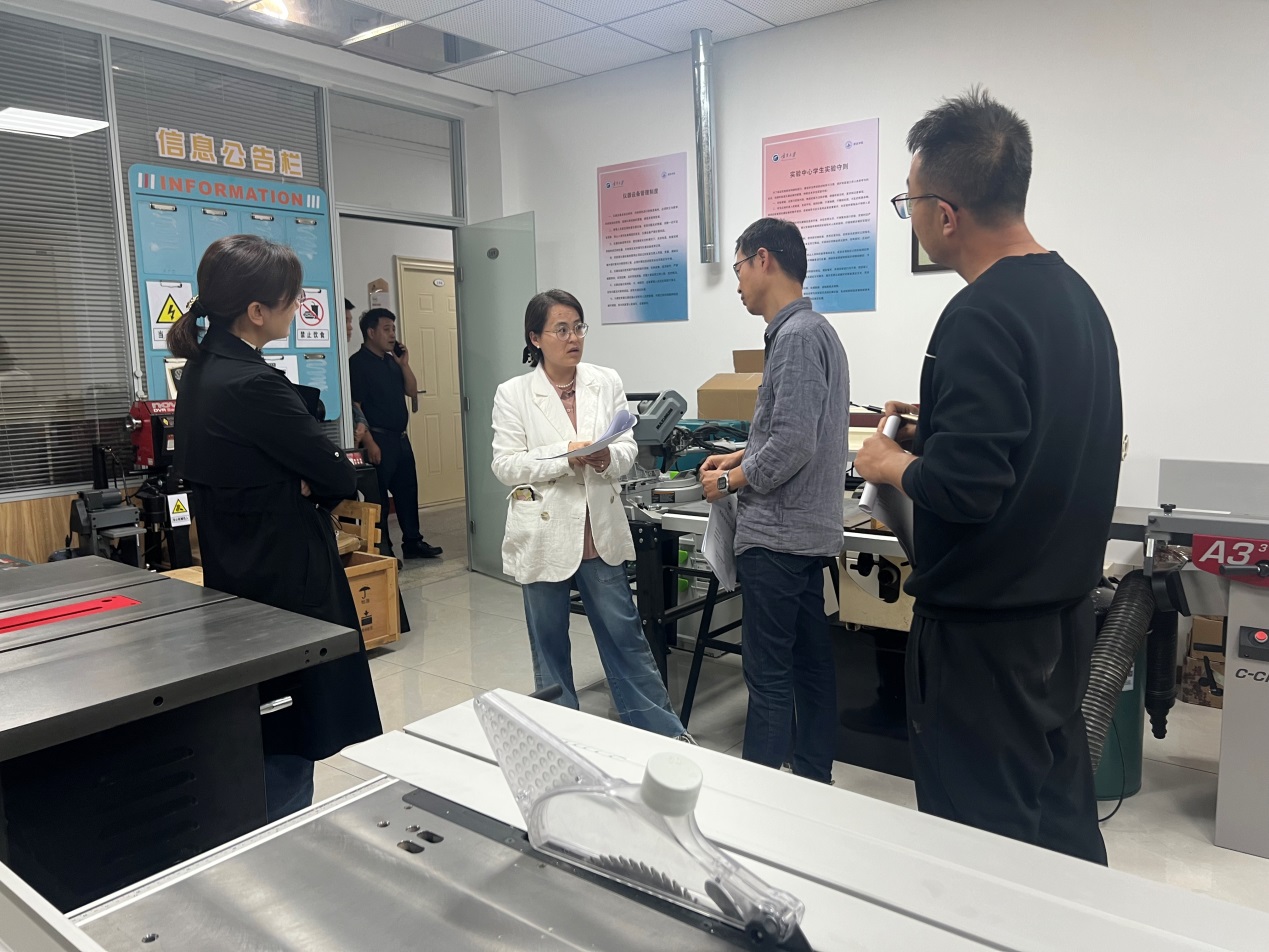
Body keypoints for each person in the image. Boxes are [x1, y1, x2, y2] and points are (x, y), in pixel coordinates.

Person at [854, 88, 1121, 864]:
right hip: (1058, 620)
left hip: (983, 641)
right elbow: (1036, 441)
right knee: (1056, 824)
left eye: (907, 203)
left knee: (981, 854)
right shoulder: (1076, 299)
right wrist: (933, 429)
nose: (910, 217)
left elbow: (967, 491)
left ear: (944, 212)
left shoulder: (976, 315)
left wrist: (890, 461)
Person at [170, 234, 382, 822]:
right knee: (293, 725)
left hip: (236, 569)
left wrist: (296, 479)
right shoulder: (253, 384)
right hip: (287, 578)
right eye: (292, 299)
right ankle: (284, 840)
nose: (299, 308)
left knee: (261, 718)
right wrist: (304, 481)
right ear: (257, 311)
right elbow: (339, 474)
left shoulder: (202, 371)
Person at [492, 289, 690, 740]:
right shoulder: (514, 394)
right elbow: (505, 465)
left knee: (624, 635)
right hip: (543, 533)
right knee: (549, 643)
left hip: (597, 532)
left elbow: (627, 447)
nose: (573, 338)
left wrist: (606, 458)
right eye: (561, 329)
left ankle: (661, 733)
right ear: (535, 338)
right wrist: (567, 454)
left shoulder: (605, 381)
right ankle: (560, 738)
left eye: (578, 327)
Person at [699, 218, 849, 783]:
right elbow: (790, 429)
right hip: (804, 539)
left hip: (778, 539)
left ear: (764, 259)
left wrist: (730, 483)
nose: (737, 282)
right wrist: (738, 455)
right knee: (810, 668)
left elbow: (792, 443)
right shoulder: (814, 332)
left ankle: (757, 800)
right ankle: (812, 779)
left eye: (738, 266)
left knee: (768, 678)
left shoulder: (797, 337)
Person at [348, 307, 441, 560]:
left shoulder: (391, 362)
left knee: (407, 491)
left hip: (400, 438)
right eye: (386, 329)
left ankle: (413, 542)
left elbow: (411, 390)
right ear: (371, 332)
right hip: (378, 440)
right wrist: (369, 442)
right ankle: (383, 548)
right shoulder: (358, 364)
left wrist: (404, 364)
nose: (392, 335)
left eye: (393, 329)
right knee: (378, 498)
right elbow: (356, 406)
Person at [344, 299, 379, 465]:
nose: (350, 327)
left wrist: (361, 423)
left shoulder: (391, 361)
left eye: (350, 321)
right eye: (346, 321)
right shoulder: (356, 362)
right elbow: (355, 401)